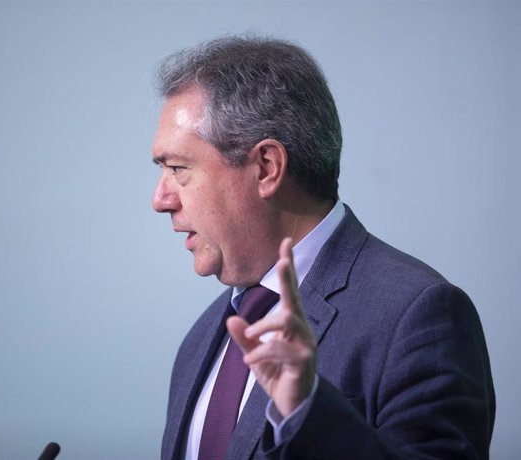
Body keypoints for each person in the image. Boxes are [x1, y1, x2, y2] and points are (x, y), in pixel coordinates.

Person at [151, 36, 495, 460]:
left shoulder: (419, 314)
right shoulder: (202, 337)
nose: (160, 199)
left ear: (266, 167)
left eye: (178, 169)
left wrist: (307, 411)